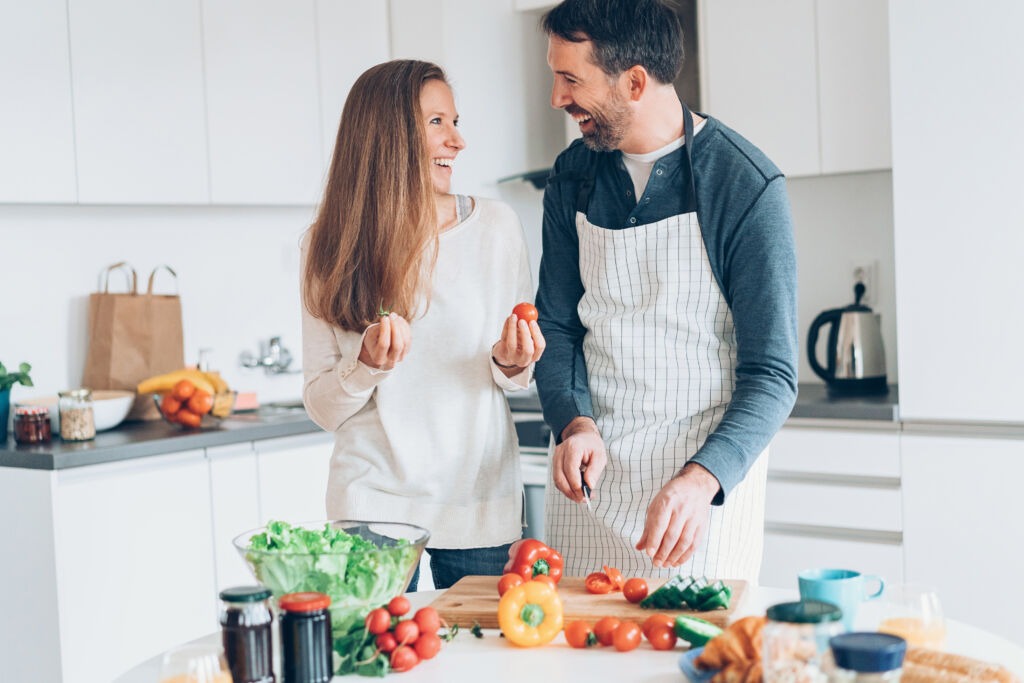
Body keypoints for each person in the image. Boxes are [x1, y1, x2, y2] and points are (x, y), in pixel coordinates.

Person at [532, 0, 798, 583]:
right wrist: (573, 422)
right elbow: (556, 326)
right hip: (589, 491)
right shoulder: (574, 175)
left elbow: (773, 373)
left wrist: (703, 479)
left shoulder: (743, 184)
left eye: (570, 78)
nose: (557, 98)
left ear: (633, 82)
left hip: (697, 499)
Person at [300, 60, 545, 590]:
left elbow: (514, 377)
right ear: (386, 135)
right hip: (371, 504)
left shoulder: (496, 228)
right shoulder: (329, 244)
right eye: (437, 122)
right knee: (376, 668)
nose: (458, 140)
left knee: (485, 668)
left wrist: (512, 361)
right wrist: (364, 367)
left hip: (478, 501)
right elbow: (322, 407)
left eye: (454, 121)